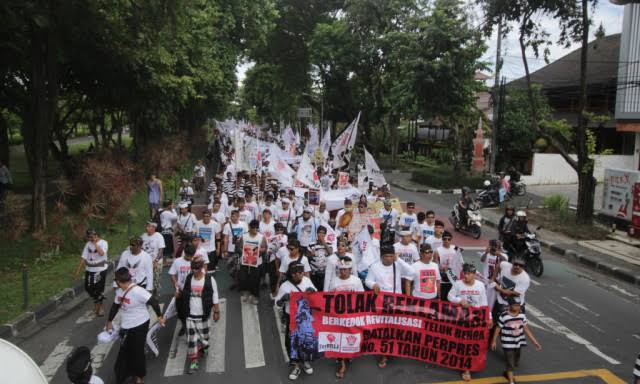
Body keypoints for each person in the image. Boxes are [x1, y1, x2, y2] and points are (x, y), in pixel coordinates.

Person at [107, 267, 164, 384]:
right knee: (125, 351)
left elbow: (153, 301)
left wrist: (159, 316)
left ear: (118, 281)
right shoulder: (119, 292)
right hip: (126, 326)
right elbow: (115, 306)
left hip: (140, 325)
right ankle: (124, 375)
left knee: (137, 352)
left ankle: (140, 377)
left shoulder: (138, 291)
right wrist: (109, 322)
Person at [365, 243, 413, 369]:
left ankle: (394, 349)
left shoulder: (398, 264)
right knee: (384, 329)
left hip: (397, 302)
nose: (389, 259)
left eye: (391, 256)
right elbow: (367, 280)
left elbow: (412, 271)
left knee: (396, 328)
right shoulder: (374, 267)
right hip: (381, 303)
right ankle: (384, 354)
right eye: (386, 256)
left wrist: (399, 260)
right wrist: (373, 285)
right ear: (381, 257)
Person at [448, 263, 492, 382]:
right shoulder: (458, 284)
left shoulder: (480, 286)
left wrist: (489, 316)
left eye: (468, 274)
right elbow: (450, 296)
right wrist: (459, 300)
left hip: (476, 320)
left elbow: (484, 303)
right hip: (462, 319)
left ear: (474, 275)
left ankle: (469, 365)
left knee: (473, 344)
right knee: (463, 343)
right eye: (464, 274)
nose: (465, 276)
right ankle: (466, 368)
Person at [274, 263, 317, 380]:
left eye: (301, 272)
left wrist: (312, 291)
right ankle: (295, 365)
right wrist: (283, 299)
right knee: (291, 342)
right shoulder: (285, 286)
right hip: (292, 318)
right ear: (291, 274)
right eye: (296, 273)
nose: (299, 275)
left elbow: (317, 296)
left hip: (306, 317)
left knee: (307, 339)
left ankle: (305, 361)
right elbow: (277, 304)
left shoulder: (307, 281)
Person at [178, 258, 220, 373]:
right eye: (193, 268)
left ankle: (204, 346)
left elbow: (215, 295)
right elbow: (183, 291)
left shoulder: (209, 280)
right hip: (190, 315)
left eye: (197, 268)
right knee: (191, 340)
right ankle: (194, 362)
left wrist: (216, 311)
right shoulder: (189, 278)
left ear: (202, 267)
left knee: (204, 337)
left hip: (203, 315)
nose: (195, 270)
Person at [491, 296, 541, 384]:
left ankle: (507, 372)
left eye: (519, 305)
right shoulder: (504, 316)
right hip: (507, 343)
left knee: (515, 362)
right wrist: (494, 340)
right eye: (515, 305)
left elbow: (526, 329)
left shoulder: (522, 315)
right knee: (510, 362)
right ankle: (511, 381)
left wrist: (535, 342)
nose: (517, 307)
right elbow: (498, 328)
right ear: (510, 305)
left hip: (518, 342)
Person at [329, 257, 363, 379]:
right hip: (339, 317)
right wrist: (331, 294)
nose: (344, 272)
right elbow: (328, 300)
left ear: (350, 269)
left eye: (346, 270)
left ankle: (348, 355)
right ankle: (342, 364)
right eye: (341, 270)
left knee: (351, 337)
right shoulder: (334, 281)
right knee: (340, 338)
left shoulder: (357, 280)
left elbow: (362, 298)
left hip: (352, 316)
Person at [75, 229, 109, 316]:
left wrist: (95, 243)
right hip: (90, 269)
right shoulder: (88, 244)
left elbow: (101, 253)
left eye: (93, 236)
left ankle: (100, 307)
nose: (91, 238)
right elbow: (83, 257)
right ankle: (97, 303)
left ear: (97, 235)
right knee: (88, 288)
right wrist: (78, 270)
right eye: (89, 237)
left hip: (100, 269)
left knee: (98, 289)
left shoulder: (103, 243)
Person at [169, 244, 197, 336]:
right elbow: (172, 274)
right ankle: (184, 326)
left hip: (193, 291)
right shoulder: (177, 261)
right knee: (180, 312)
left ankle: (192, 328)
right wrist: (175, 284)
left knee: (192, 311)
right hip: (181, 291)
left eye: (191, 256)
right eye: (188, 255)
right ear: (184, 252)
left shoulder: (196, 261)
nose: (189, 257)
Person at [239, 220, 267, 304]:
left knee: (255, 280)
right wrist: (245, 252)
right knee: (244, 279)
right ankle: (247, 294)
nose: (255, 229)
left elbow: (264, 248)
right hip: (245, 261)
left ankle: (255, 296)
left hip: (257, 262)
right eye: (253, 227)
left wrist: (256, 251)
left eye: (256, 228)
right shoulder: (244, 236)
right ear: (249, 228)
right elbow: (240, 247)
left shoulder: (261, 237)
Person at [434, 231, 464, 301]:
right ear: (442, 239)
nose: (447, 241)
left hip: (454, 279)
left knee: (452, 299)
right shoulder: (437, 251)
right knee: (443, 299)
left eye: (449, 239)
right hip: (443, 280)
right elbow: (435, 266)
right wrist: (442, 269)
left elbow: (461, 263)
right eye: (444, 239)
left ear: (451, 239)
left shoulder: (455, 248)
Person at [141, 221, 166, 297]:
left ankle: (156, 295)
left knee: (156, 280)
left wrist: (156, 261)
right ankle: (148, 296)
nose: (147, 228)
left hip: (156, 262)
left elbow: (161, 250)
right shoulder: (143, 236)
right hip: (145, 262)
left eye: (149, 226)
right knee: (147, 280)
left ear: (154, 228)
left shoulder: (158, 236)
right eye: (147, 226)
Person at [308, 226, 332, 291]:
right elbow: (308, 257)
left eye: (323, 233)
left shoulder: (329, 244)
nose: (321, 234)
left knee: (324, 290)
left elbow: (331, 253)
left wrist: (324, 242)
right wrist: (311, 254)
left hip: (325, 273)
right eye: (319, 232)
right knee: (314, 291)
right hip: (314, 273)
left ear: (325, 234)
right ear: (317, 233)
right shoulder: (311, 244)